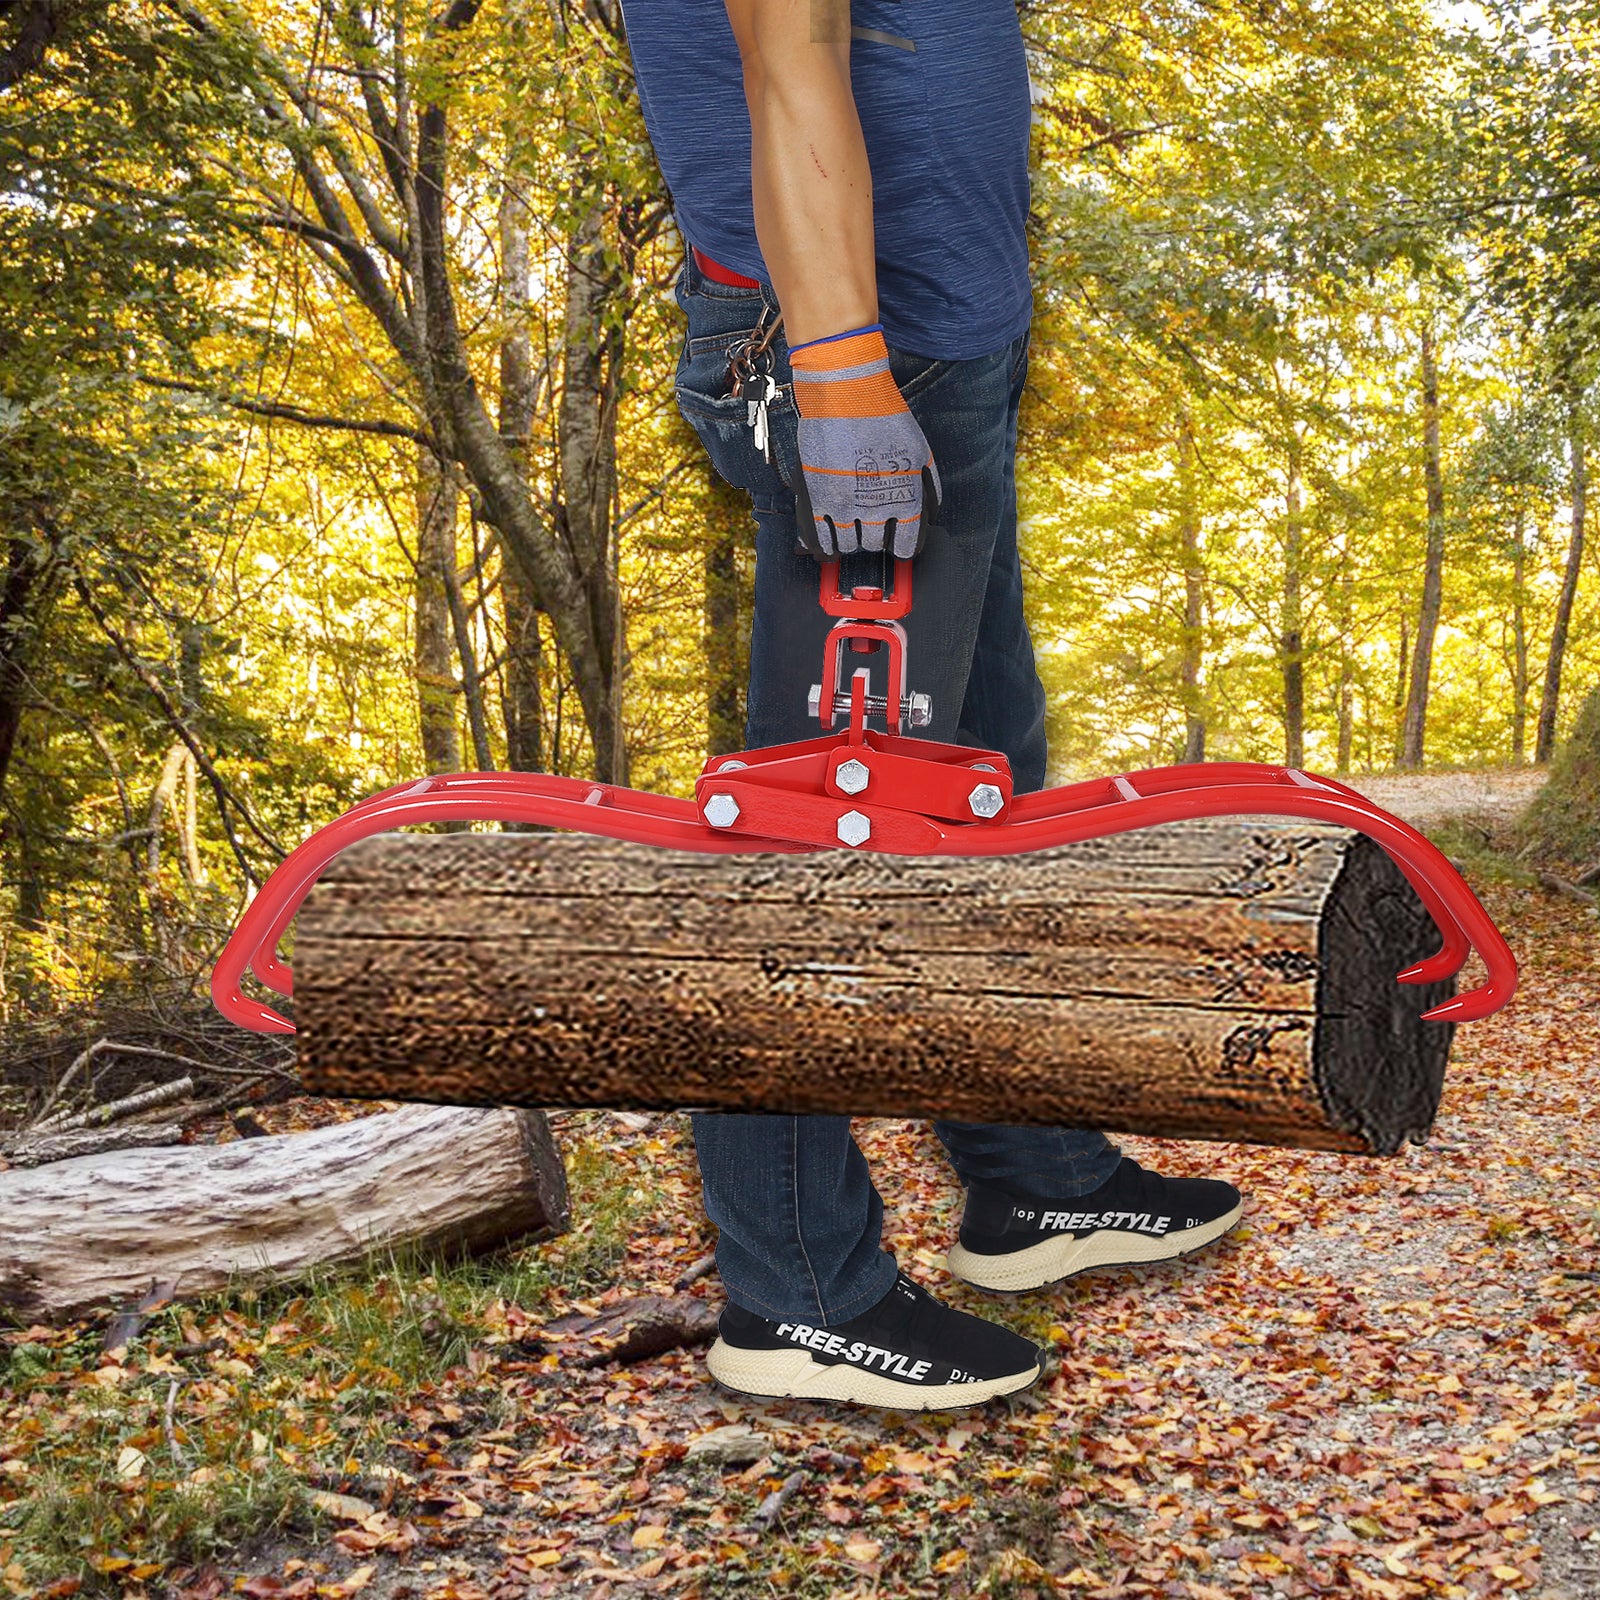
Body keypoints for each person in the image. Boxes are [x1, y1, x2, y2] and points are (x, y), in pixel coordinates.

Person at [616, 0, 1244, 1411]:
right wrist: (839, 375)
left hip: (943, 353)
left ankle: (1034, 1183)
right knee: (817, 851)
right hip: (859, 353)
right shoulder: (847, 365)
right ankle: (797, 1297)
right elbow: (790, 51)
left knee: (988, 795)